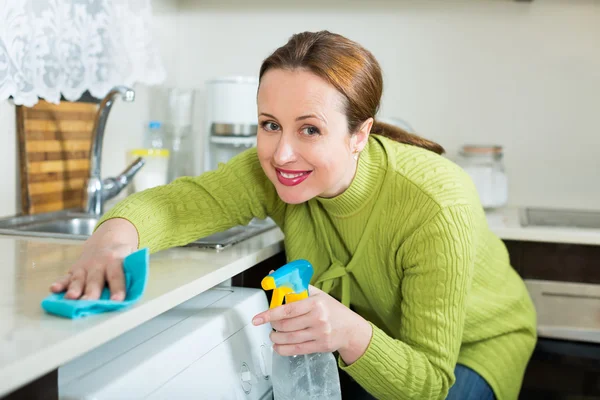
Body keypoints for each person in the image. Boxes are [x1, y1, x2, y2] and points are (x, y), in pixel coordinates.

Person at [50, 31, 536, 400]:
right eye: (269, 125)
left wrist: (348, 332)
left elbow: (429, 382)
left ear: (359, 133)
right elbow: (176, 204)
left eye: (309, 129)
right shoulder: (273, 173)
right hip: (374, 344)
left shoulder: (435, 204)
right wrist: (111, 239)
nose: (282, 154)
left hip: (474, 351)